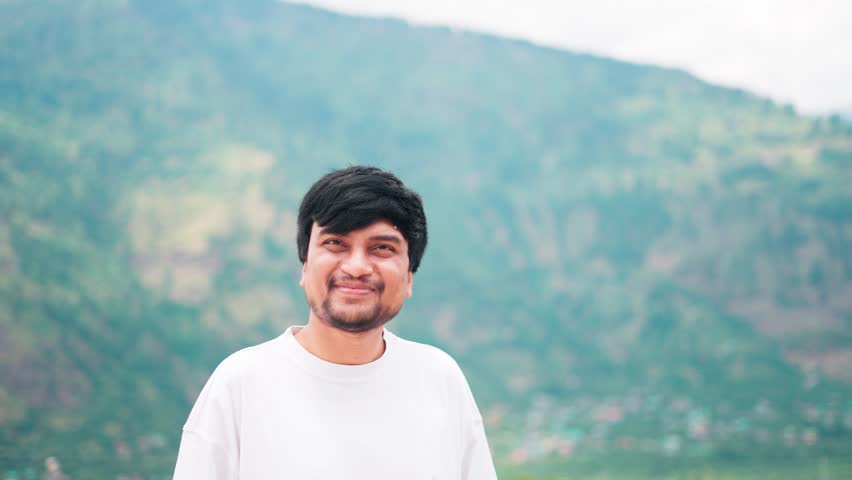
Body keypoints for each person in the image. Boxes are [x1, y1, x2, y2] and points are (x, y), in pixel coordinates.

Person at [173, 166, 497, 479]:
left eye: (382, 248)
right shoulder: (240, 384)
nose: (356, 267)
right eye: (335, 244)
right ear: (304, 266)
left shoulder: (439, 379)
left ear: (410, 276)